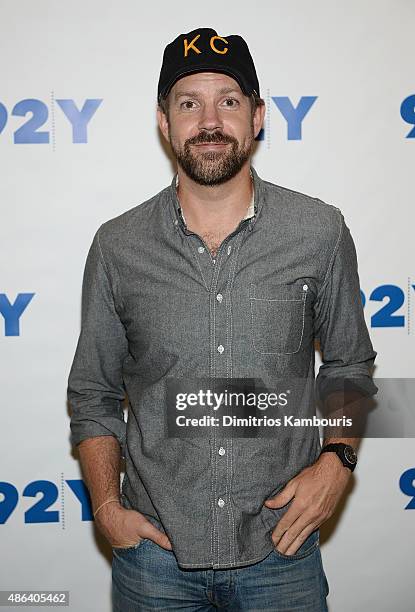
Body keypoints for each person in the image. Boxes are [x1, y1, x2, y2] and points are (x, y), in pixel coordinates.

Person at [67, 27, 377, 611]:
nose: (209, 121)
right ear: (165, 121)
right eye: (189, 103)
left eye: (228, 101)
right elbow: (92, 393)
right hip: (154, 561)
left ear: (257, 117)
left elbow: (348, 362)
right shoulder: (117, 247)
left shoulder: (319, 231)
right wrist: (107, 509)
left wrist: (338, 462)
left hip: (281, 553)